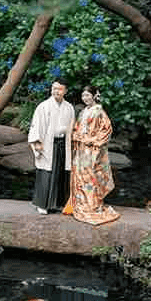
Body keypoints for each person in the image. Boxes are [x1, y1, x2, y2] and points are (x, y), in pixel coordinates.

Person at [63, 85, 120, 225]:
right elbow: (77, 128)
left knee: (91, 175)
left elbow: (107, 129)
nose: (85, 98)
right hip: (81, 149)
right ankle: (81, 204)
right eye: (83, 96)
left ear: (95, 95)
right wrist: (76, 136)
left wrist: (92, 141)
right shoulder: (83, 112)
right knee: (79, 175)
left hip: (92, 149)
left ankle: (92, 205)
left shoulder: (99, 111)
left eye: (88, 95)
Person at [28, 80, 75, 214]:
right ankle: (42, 204)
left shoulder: (69, 107)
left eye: (59, 89)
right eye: (54, 88)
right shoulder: (44, 106)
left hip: (63, 143)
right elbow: (37, 125)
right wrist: (36, 142)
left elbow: (71, 126)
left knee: (61, 173)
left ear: (65, 91)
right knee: (46, 173)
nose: (56, 91)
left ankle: (58, 203)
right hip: (47, 143)